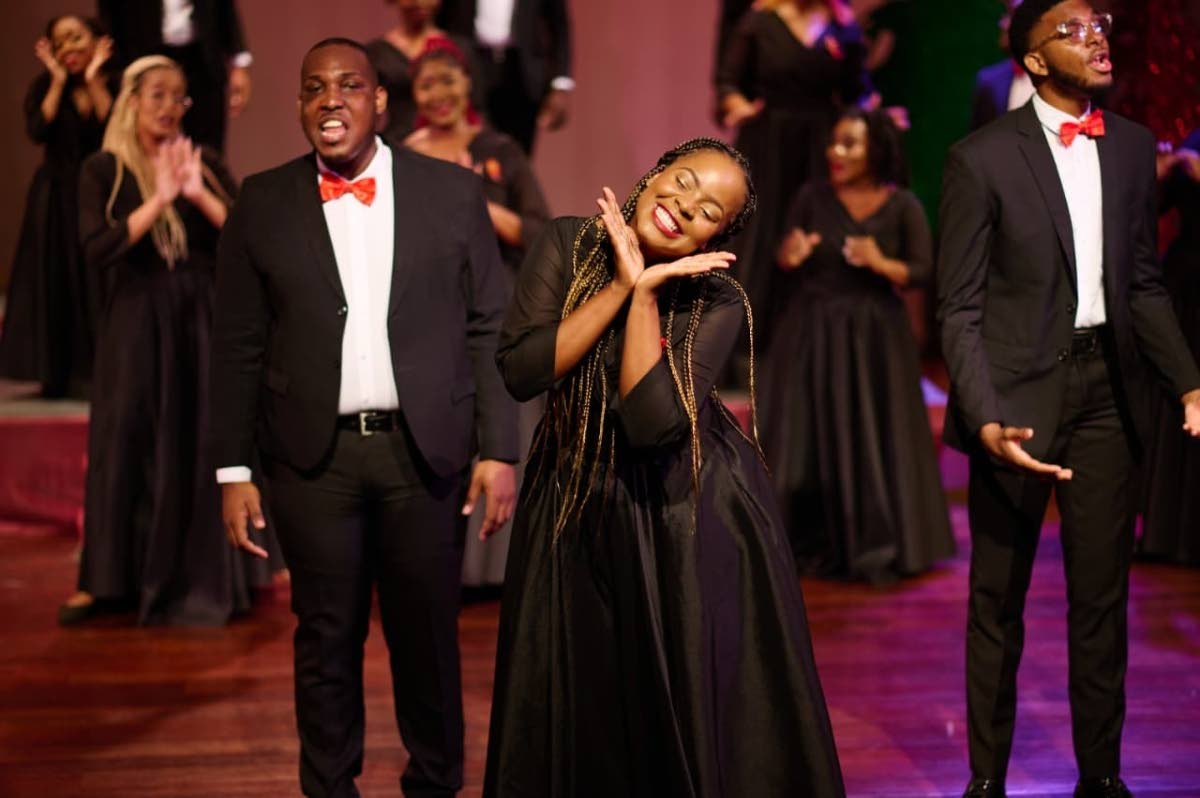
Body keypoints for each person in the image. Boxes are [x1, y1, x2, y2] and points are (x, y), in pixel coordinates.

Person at [484, 138, 845, 797]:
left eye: (710, 209)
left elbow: (651, 425)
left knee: (670, 706)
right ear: (651, 174)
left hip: (680, 511)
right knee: (577, 695)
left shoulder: (719, 301)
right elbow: (522, 370)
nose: (684, 205)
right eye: (681, 181)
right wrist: (620, 286)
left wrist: (646, 297)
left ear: (721, 234)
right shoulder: (569, 244)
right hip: (570, 496)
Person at [210, 38, 518, 797]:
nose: (330, 100)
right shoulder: (263, 200)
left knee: (428, 644)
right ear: (300, 106)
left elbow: (489, 324)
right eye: (314, 88)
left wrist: (498, 448)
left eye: (349, 85)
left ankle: (436, 785)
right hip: (313, 460)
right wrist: (233, 468)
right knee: (324, 641)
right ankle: (329, 788)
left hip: (425, 456)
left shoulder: (452, 191)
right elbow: (238, 344)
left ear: (381, 101)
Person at [936, 3, 1200, 797]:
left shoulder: (1125, 147)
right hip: (1013, 399)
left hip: (1106, 397)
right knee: (997, 603)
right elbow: (960, 308)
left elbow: (1143, 285)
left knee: (1101, 601)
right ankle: (986, 781)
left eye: (1101, 23)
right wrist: (983, 417)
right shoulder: (979, 159)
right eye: (1074, 30)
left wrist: (1188, 378)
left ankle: (1103, 778)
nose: (1098, 39)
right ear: (1034, 60)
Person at [59, 55, 262, 626]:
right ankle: (106, 580)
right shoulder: (105, 169)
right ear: (130, 100)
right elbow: (97, 249)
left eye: (179, 97)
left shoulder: (204, 162)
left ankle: (213, 575)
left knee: (199, 441)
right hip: (136, 319)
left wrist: (197, 193)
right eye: (158, 95)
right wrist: (160, 198)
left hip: (199, 318)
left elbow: (250, 238)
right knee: (124, 443)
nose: (170, 107)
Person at [761, 108, 954, 583]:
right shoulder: (811, 197)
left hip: (874, 337)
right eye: (834, 142)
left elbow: (923, 273)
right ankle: (813, 541)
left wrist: (881, 262)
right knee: (812, 433)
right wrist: (791, 254)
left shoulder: (902, 205)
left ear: (877, 150)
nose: (836, 152)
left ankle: (876, 541)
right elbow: (784, 254)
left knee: (870, 431)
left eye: (849, 143)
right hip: (813, 331)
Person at [404, 37, 551, 588]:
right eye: (427, 84)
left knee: (502, 418)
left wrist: (475, 201)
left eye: (448, 80)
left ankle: (501, 564)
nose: (439, 93)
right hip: (428, 305)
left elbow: (538, 229)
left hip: (497, 300)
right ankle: (441, 561)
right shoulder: (400, 152)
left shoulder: (500, 149)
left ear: (467, 84)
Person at [714, 0, 871, 369]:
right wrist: (736, 102)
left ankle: (815, 346)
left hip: (820, 145)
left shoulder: (842, 27)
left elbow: (856, 90)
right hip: (768, 142)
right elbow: (729, 83)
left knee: (814, 230)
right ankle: (745, 349)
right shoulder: (759, 21)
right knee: (760, 233)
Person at [0, 16, 115, 397]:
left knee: (94, 282)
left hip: (99, 196)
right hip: (54, 198)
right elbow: (37, 130)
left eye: (76, 39)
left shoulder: (112, 84)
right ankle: (56, 373)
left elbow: (112, 130)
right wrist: (56, 79)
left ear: (97, 42)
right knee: (56, 279)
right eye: (60, 42)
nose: (69, 49)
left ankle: (99, 370)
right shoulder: (46, 87)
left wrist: (95, 76)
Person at [1140, 131, 1200, 564]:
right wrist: (1157, 177)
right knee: (1179, 399)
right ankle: (1171, 533)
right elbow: (1148, 212)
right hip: (1187, 283)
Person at [97, 0, 252, 152]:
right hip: (145, 52)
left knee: (206, 144)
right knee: (147, 137)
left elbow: (224, 8)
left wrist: (239, 63)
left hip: (201, 58)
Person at [435, 0, 572, 153]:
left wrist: (560, 84)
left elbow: (559, 26)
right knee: (471, 150)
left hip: (521, 74)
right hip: (469, 68)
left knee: (517, 153)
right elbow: (441, 18)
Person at [365, 0, 479, 144]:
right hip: (399, 144)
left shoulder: (461, 48)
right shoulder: (376, 53)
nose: (419, 2)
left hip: (455, 144)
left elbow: (478, 107)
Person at [970, 1, 1035, 131]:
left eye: (1012, 16)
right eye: (1006, 15)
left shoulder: (1062, 79)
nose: (1003, 23)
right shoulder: (990, 80)